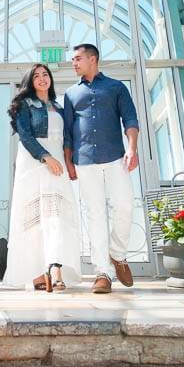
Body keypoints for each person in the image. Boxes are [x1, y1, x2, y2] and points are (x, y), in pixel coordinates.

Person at [63, 43, 139, 294]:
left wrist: (132, 148)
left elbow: (130, 119)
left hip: (115, 157)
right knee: (95, 215)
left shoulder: (116, 87)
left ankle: (117, 254)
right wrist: (69, 161)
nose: (73, 63)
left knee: (125, 205)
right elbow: (68, 132)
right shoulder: (71, 94)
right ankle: (102, 272)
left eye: (77, 59)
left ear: (93, 59)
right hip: (85, 162)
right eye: (73, 60)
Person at [2, 63, 82, 292]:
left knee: (56, 218)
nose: (42, 78)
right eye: (36, 75)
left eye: (45, 74)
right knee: (35, 221)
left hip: (57, 165)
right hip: (35, 163)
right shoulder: (24, 104)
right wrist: (46, 157)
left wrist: (67, 163)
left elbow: (67, 139)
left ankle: (56, 269)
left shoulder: (59, 107)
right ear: (30, 81)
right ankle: (37, 273)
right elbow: (25, 137)